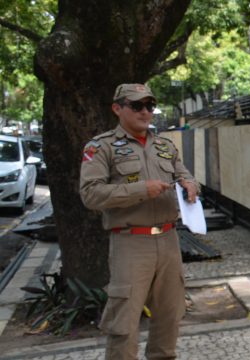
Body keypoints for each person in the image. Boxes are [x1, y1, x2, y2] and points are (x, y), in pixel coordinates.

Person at [80, 83, 199, 360]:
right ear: (117, 108)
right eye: (136, 105)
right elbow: (90, 194)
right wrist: (140, 190)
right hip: (131, 242)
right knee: (125, 323)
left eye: (149, 105)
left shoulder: (165, 146)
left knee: (170, 316)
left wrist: (191, 185)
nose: (145, 112)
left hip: (169, 241)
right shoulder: (101, 147)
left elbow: (186, 175)